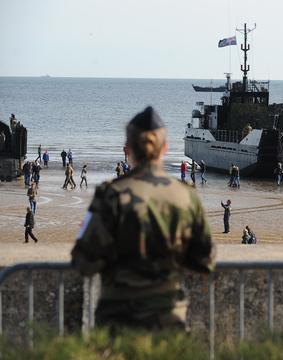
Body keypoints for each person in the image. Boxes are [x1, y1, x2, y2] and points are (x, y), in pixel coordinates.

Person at [71, 106, 215, 331]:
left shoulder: (112, 195)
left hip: (118, 320)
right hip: (169, 319)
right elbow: (205, 260)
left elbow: (85, 261)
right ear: (165, 148)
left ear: (127, 149)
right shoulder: (185, 196)